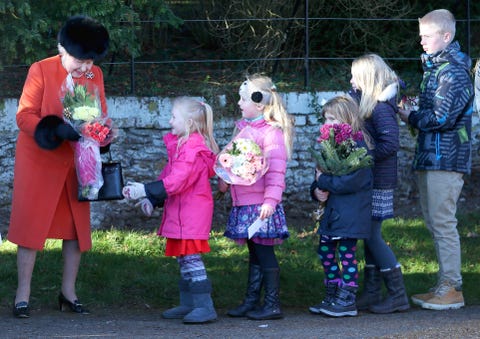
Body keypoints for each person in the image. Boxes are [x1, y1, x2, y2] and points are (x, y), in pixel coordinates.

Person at [8, 15, 109, 318]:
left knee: (75, 230)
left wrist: (103, 132)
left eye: (91, 60)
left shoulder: (96, 75)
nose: (86, 67)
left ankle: (68, 292)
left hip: (79, 162)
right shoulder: (40, 69)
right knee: (30, 227)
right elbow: (24, 116)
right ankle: (22, 294)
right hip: (39, 160)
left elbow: (100, 113)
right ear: (62, 50)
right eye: (81, 60)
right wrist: (56, 129)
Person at [398, 9, 473, 310]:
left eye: (427, 36)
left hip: (447, 158)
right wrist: (415, 109)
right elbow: (437, 111)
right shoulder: (436, 69)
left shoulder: (452, 71)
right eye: (420, 36)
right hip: (432, 156)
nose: (422, 42)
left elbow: (441, 117)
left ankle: (452, 288)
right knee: (435, 222)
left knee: (443, 223)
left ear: (446, 36)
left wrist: (411, 115)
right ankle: (444, 284)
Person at [122, 96, 219, 324]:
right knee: (184, 259)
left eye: (174, 117)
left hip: (191, 213)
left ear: (189, 124)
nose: (169, 120)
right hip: (182, 212)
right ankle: (189, 303)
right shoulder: (181, 147)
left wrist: (145, 190)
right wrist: (151, 199)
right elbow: (168, 176)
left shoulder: (191, 150)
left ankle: (204, 306)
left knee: (191, 259)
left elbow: (177, 180)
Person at [218, 74, 293, 320]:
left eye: (242, 100)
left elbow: (276, 173)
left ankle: (272, 304)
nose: (239, 104)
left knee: (264, 252)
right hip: (245, 202)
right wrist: (224, 177)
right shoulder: (243, 129)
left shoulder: (270, 134)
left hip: (260, 205)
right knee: (255, 252)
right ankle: (252, 300)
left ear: (259, 104)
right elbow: (231, 161)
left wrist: (270, 201)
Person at [349, 54, 410, 313]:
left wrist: (363, 156)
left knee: (373, 235)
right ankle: (372, 291)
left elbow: (390, 144)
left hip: (379, 181)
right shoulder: (370, 103)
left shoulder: (381, 107)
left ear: (366, 79)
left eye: (354, 76)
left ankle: (398, 295)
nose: (350, 80)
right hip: (372, 179)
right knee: (369, 234)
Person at [308, 95, 373, 317]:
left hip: (350, 212)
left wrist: (323, 182)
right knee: (325, 250)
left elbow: (353, 181)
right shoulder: (328, 145)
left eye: (332, 118)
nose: (327, 124)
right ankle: (333, 290)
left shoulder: (358, 146)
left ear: (346, 119)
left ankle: (347, 297)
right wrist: (316, 190)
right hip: (331, 213)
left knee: (346, 252)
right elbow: (319, 176)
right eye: (325, 119)